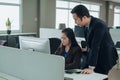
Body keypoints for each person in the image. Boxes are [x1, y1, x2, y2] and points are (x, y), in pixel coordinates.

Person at [71, 5, 118, 75]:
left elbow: (95, 46)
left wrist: (91, 68)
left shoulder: (99, 25)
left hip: (106, 56)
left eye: (76, 19)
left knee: (100, 76)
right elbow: (90, 42)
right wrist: (86, 49)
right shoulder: (85, 25)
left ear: (84, 17)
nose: (75, 22)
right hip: (96, 54)